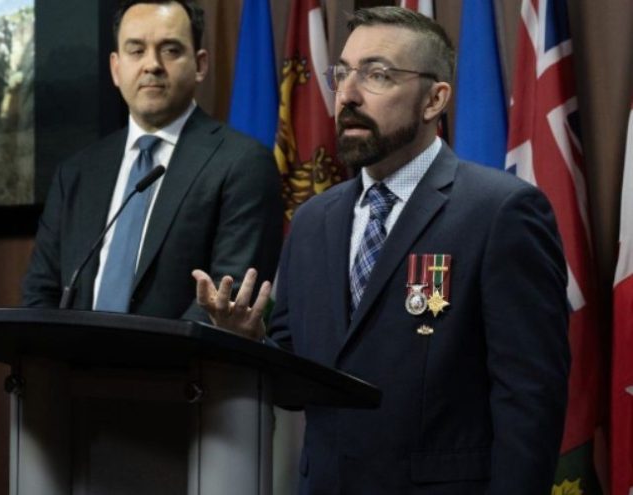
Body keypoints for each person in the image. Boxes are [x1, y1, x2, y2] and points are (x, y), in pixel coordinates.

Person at [193, 7, 570, 494]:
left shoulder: (501, 212)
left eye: (377, 75)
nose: (346, 94)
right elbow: (295, 384)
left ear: (435, 99)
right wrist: (249, 344)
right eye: (342, 73)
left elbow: (530, 401)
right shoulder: (311, 222)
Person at [22, 0, 282, 320]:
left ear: (200, 65)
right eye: (136, 50)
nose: (152, 65)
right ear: (116, 68)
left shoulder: (243, 163)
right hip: (75, 367)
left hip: (184, 368)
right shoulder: (77, 172)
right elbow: (40, 293)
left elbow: (226, 300)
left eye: (170, 50)